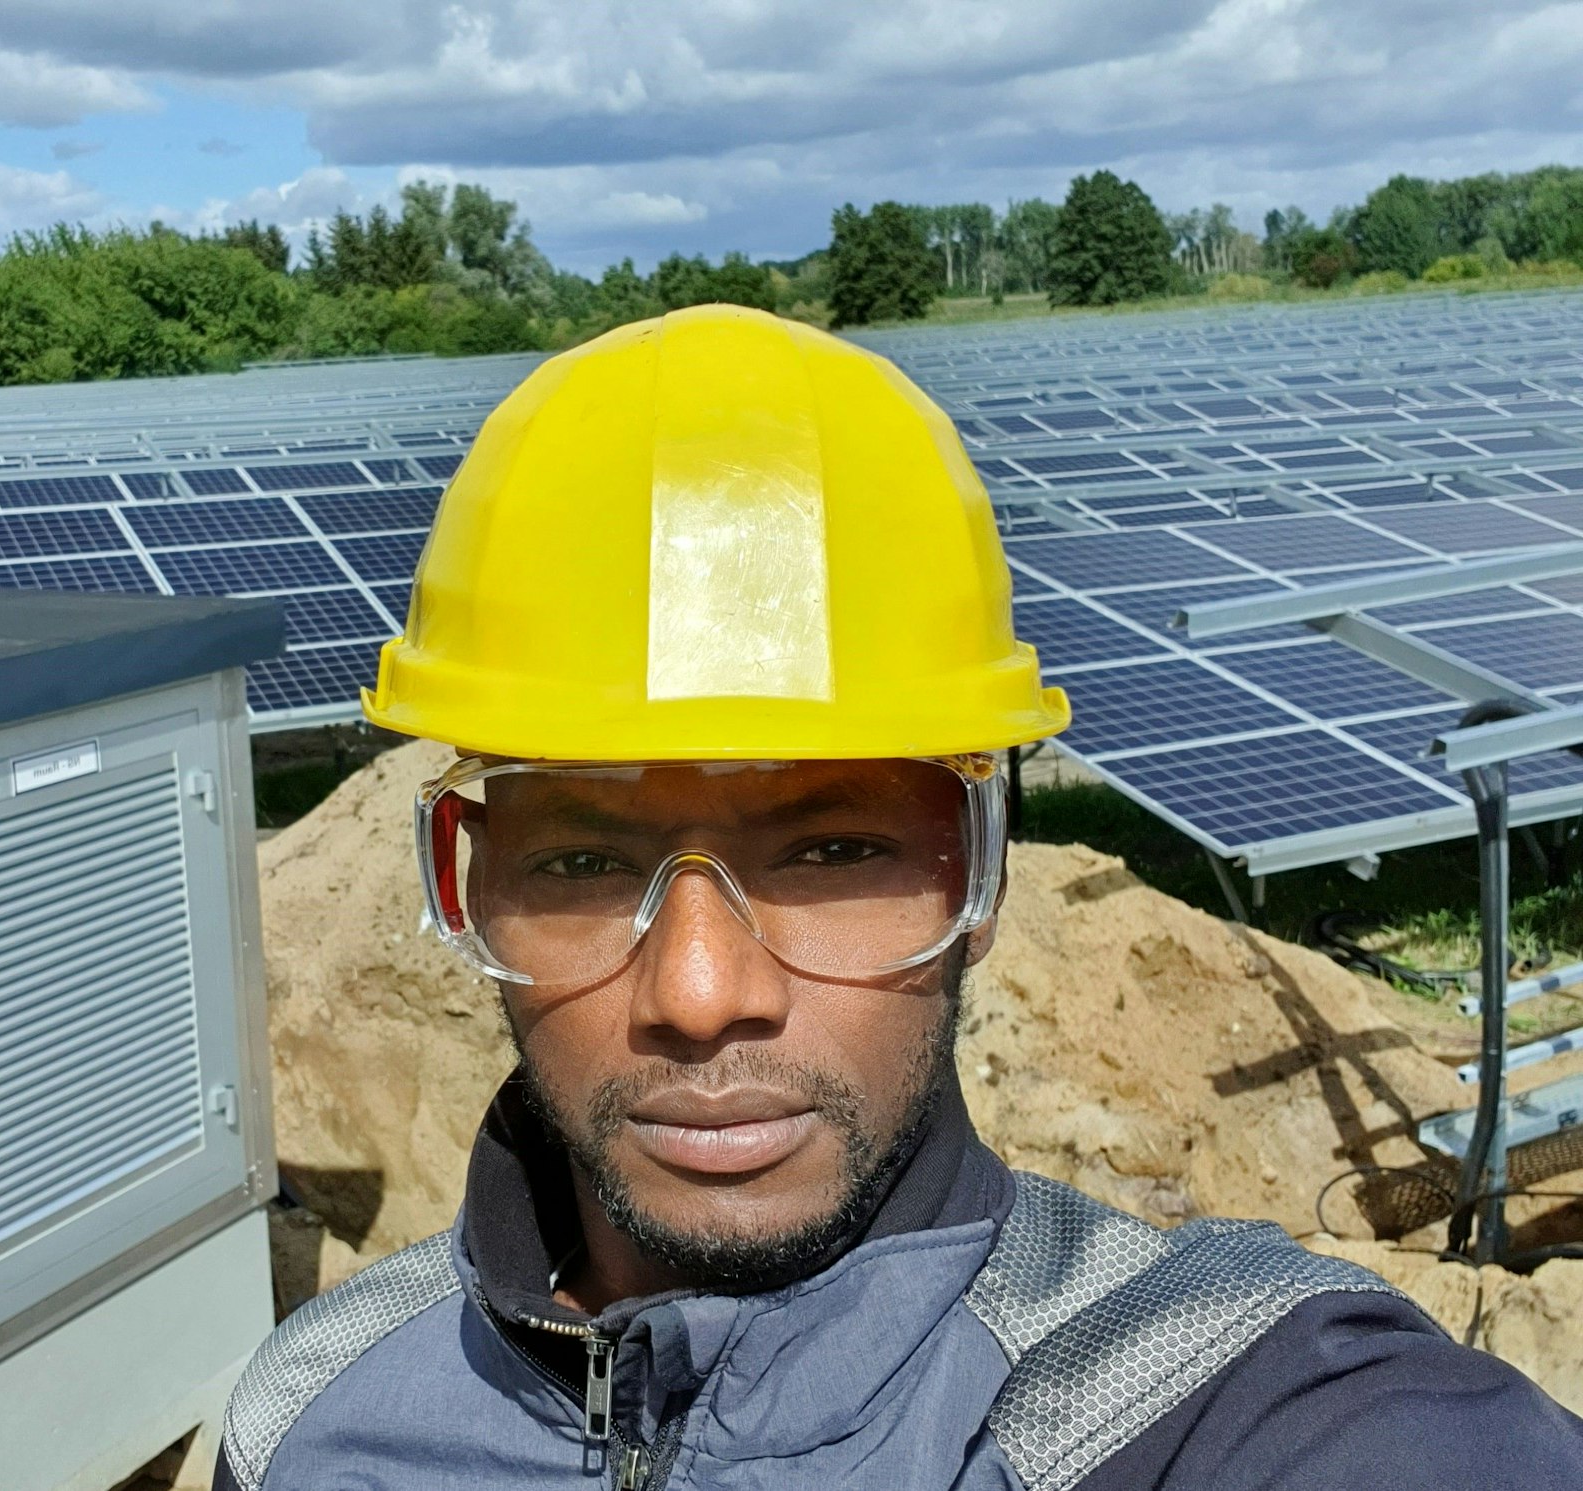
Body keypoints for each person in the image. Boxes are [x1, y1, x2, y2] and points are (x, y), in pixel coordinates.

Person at [214, 305, 1583, 1490]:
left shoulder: (1214, 1404)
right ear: (470, 882)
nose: (701, 996)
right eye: (582, 863)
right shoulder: (305, 1423)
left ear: (983, 871)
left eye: (829, 855)